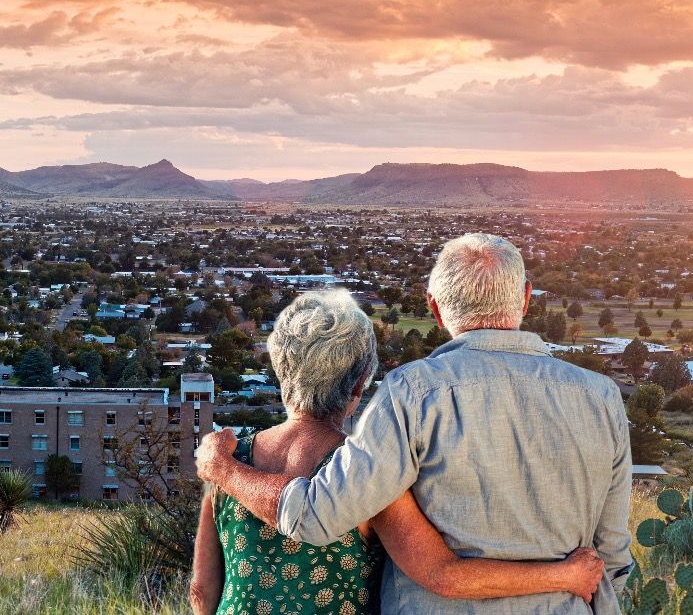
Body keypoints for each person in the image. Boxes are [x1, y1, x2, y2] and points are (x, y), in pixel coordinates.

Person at [196, 234, 633, 613]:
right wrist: (565, 581)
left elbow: (316, 516)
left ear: (435, 309)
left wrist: (225, 470)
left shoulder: (413, 394)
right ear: (524, 297)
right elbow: (611, 557)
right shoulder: (602, 397)